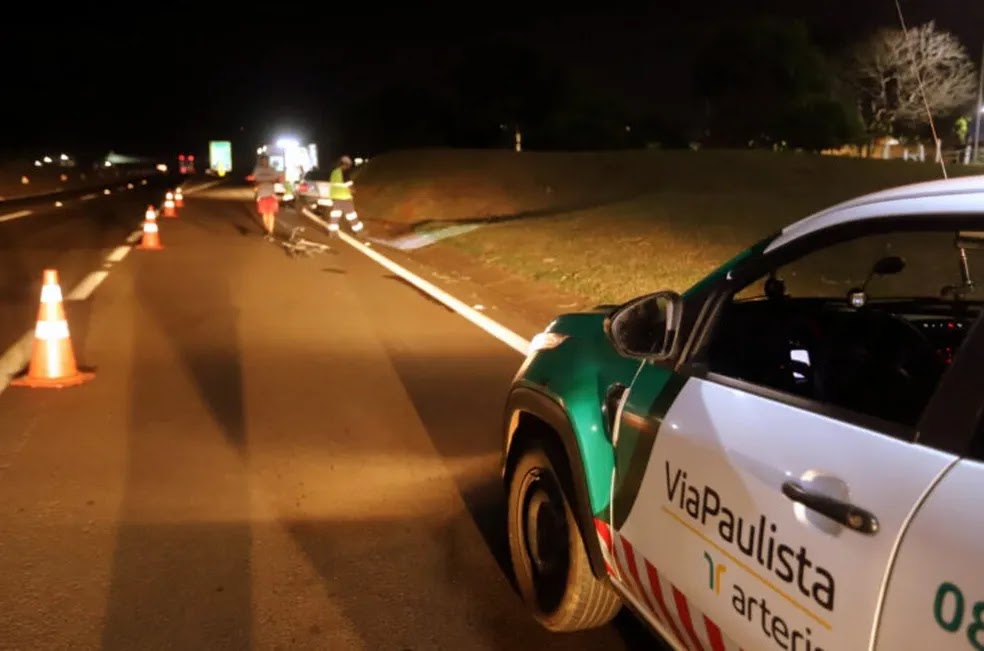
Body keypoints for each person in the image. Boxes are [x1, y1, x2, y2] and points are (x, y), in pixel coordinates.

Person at [327, 155, 365, 238]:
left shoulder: (334, 172)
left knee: (335, 215)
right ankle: (359, 231)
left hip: (335, 197)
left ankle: (332, 232)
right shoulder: (344, 172)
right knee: (351, 214)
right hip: (344, 197)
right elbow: (348, 184)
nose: (348, 167)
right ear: (345, 164)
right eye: (348, 165)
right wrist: (353, 191)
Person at [251, 154, 283, 240]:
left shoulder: (272, 169)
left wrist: (280, 183)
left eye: (266, 160)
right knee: (265, 214)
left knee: (271, 214)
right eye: (262, 160)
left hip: (271, 194)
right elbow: (254, 179)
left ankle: (270, 232)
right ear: (260, 161)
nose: (264, 162)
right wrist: (255, 187)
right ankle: (267, 230)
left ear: (268, 161)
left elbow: (279, 179)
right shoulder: (257, 169)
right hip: (261, 194)